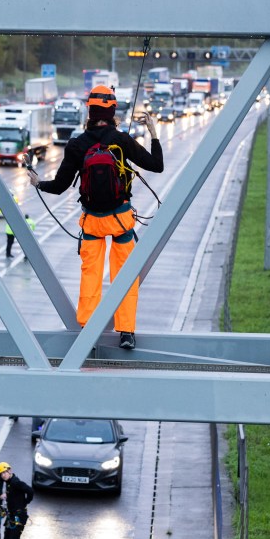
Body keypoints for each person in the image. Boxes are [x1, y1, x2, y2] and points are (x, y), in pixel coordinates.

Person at [27, 84, 163, 350]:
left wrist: (38, 183)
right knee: (125, 276)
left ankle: (88, 331)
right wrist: (153, 132)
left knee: (90, 275)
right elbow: (156, 165)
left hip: (92, 222)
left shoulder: (77, 145)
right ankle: (126, 332)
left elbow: (60, 185)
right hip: (121, 220)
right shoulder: (121, 140)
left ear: (89, 111)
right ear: (112, 110)